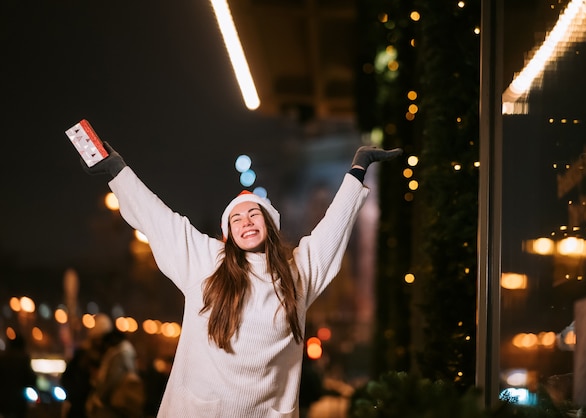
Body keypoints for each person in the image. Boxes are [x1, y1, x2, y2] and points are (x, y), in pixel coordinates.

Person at [80, 138, 401, 418]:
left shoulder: (296, 275)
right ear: (228, 232)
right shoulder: (206, 263)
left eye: (253, 213)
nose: (245, 221)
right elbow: (159, 219)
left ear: (270, 224)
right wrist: (118, 171)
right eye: (235, 217)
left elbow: (333, 229)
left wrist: (358, 167)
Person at [86, 329, 144, 418]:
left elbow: (113, 377)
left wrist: (101, 396)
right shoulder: (127, 351)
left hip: (114, 402)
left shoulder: (120, 354)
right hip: (117, 401)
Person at [0, 334, 37, 418]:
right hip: (19, 399)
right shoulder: (24, 359)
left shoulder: (3, 359)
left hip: (3, 399)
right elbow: (30, 379)